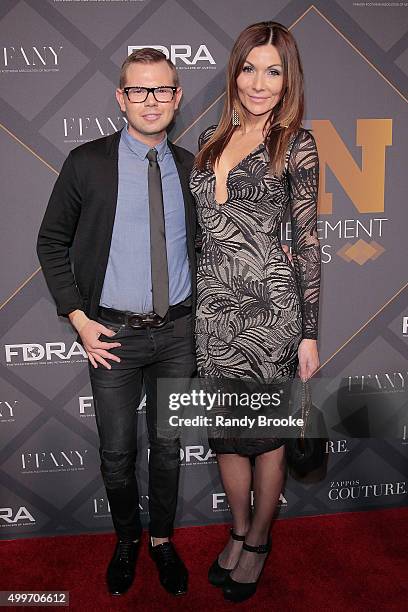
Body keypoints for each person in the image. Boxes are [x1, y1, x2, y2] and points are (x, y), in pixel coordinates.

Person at [37, 49, 197, 597]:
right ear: (120, 97)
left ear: (177, 98)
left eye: (162, 90)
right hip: (112, 336)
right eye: (139, 90)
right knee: (117, 452)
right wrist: (79, 319)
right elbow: (51, 242)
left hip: (178, 333)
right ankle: (127, 539)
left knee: (170, 447)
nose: (151, 101)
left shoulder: (191, 167)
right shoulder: (87, 163)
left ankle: (162, 540)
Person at [190, 21, 321, 602]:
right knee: (226, 436)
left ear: (288, 78)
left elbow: (310, 243)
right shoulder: (210, 139)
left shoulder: (296, 143)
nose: (259, 83)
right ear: (234, 71)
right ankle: (239, 531)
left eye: (273, 70)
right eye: (249, 68)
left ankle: (261, 540)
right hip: (213, 313)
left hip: (270, 315)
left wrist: (309, 334)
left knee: (265, 439)